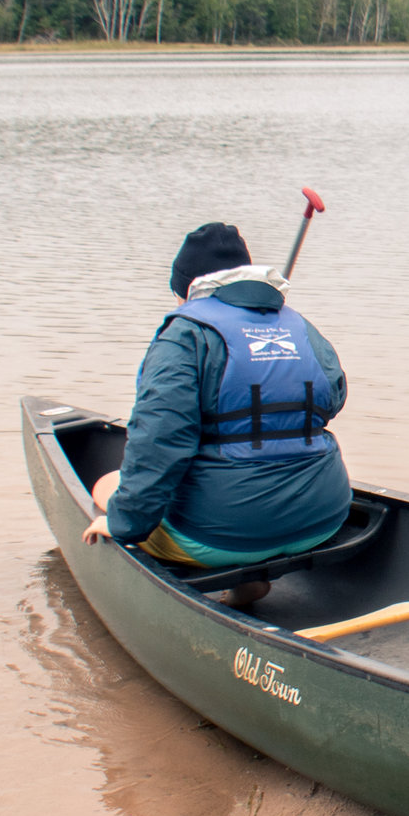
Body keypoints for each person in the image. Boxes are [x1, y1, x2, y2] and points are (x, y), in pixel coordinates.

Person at [81, 222, 352, 593]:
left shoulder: (184, 333)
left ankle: (149, 587)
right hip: (323, 518)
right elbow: (333, 398)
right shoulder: (302, 327)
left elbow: (159, 442)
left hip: (220, 534)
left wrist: (121, 523)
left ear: (186, 290)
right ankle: (248, 585)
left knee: (108, 485)